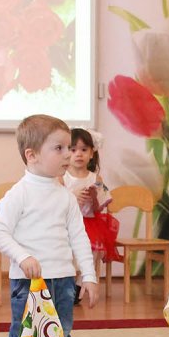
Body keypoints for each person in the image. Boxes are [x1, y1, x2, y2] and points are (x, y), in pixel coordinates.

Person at [0, 114, 99, 337]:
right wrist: (22, 257)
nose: (68, 155)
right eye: (59, 148)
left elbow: (79, 237)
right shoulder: (19, 194)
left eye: (69, 148)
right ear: (32, 155)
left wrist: (89, 275)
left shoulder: (65, 197)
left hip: (62, 281)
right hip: (29, 282)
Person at [63, 127, 121, 303]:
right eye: (73, 149)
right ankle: (66, 285)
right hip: (67, 223)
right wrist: (73, 196)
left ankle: (79, 288)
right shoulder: (61, 177)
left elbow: (97, 209)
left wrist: (94, 197)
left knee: (91, 253)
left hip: (89, 223)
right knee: (67, 254)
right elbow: (56, 204)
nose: (78, 154)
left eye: (84, 149)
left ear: (91, 153)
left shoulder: (96, 179)